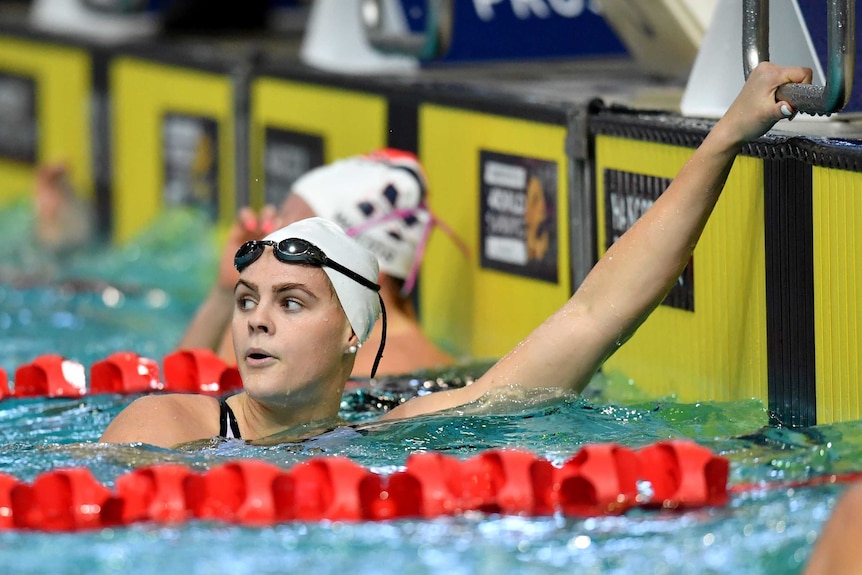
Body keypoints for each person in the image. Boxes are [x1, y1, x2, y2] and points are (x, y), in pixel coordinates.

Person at [99, 61, 812, 449]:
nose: (255, 320)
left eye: (291, 302)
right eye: (249, 299)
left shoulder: (398, 433)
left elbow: (594, 314)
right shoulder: (165, 428)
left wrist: (724, 136)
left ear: (355, 331)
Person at [177, 149, 460, 377]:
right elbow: (184, 396)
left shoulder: (373, 370)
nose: (269, 242)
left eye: (294, 238)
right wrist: (228, 291)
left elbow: (221, 412)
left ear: (366, 266)